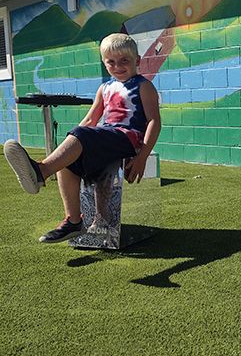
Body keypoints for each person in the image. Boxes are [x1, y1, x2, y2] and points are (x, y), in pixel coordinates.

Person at [4, 33, 161, 243]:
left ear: (137, 61)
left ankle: (41, 171)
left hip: (127, 139)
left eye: (125, 61)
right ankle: (73, 221)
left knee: (80, 136)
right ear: (105, 64)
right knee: (69, 161)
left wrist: (142, 155)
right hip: (106, 138)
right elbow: (89, 120)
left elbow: (153, 121)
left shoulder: (143, 86)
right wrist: (70, 145)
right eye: (111, 62)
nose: (118, 66)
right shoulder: (104, 88)